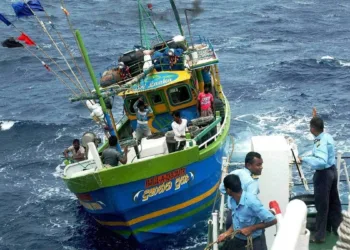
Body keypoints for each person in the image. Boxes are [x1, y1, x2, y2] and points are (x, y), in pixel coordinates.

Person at [299, 116, 342, 243]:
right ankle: (337, 229)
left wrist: (304, 159)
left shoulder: (319, 141)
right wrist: (315, 117)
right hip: (333, 171)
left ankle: (319, 236)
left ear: (312, 129)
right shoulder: (326, 136)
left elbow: (321, 162)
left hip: (323, 175)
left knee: (322, 206)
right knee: (334, 202)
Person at [218, 174, 276, 250]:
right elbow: (236, 221)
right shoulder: (233, 200)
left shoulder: (252, 202)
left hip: (255, 241)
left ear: (228, 190)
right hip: (238, 240)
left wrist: (251, 228)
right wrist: (226, 233)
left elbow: (273, 220)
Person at [219, 152, 263, 229]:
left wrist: (233, 195)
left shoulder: (234, 173)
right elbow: (251, 202)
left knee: (230, 239)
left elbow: (222, 188)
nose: (261, 167)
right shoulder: (252, 182)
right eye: (258, 165)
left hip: (231, 215)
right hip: (245, 219)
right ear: (249, 165)